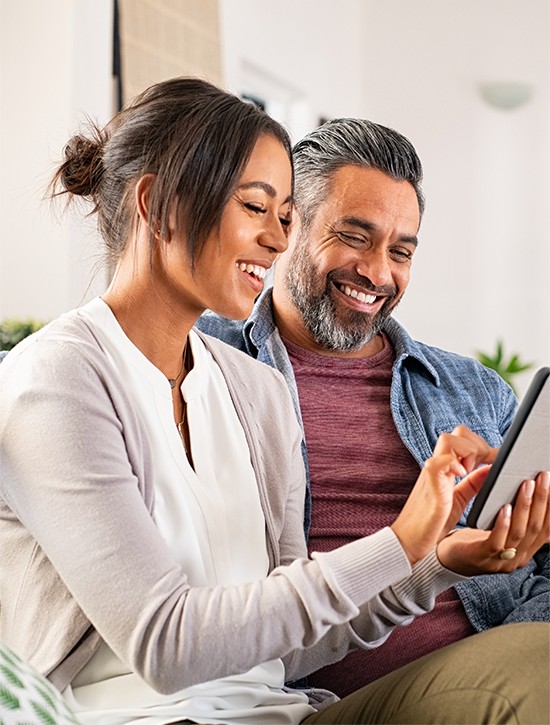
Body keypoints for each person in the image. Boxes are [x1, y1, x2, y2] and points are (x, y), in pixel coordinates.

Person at [0, 78, 548, 725]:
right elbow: (164, 643)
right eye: (256, 208)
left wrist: (435, 563)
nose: (277, 239)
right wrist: (399, 541)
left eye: (285, 216)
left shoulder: (255, 391)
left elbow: (292, 649)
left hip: (280, 713)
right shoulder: (57, 378)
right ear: (157, 204)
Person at [197, 117, 550, 696]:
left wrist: (517, 646)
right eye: (355, 238)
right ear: (288, 226)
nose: (378, 273)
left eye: (401, 251)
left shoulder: (473, 389)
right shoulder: (205, 364)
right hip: (320, 691)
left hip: (497, 663)